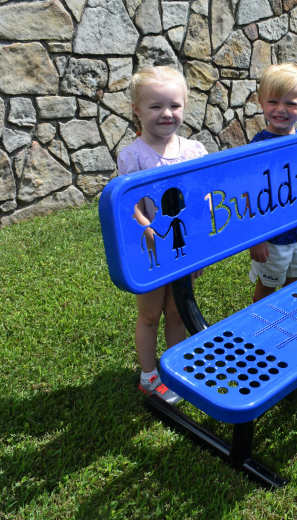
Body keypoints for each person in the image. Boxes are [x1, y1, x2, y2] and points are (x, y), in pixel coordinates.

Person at [117, 66, 208, 403]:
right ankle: (149, 374)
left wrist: (200, 248)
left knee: (178, 310)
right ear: (136, 110)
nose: (166, 114)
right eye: (155, 107)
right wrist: (146, 227)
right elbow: (129, 204)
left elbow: (202, 199)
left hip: (184, 248)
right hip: (151, 252)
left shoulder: (194, 150)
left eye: (174, 105)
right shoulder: (133, 155)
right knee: (150, 314)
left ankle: (177, 368)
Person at [248, 63, 297, 302]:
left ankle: (288, 323)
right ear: (261, 102)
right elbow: (250, 194)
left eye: (291, 103)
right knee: (267, 288)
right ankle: (259, 325)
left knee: (294, 284)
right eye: (273, 101)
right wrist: (256, 239)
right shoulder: (257, 147)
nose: (281, 109)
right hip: (272, 239)